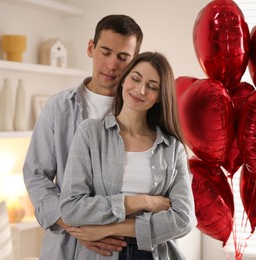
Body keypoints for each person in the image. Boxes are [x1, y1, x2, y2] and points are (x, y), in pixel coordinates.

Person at [23, 15, 143, 259]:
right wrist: (79, 228)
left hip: (122, 248)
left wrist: (109, 229)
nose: (111, 64)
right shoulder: (58, 107)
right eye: (105, 52)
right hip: (66, 247)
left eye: (123, 57)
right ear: (91, 48)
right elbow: (36, 175)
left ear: (135, 61)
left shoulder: (142, 115)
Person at [60, 51, 197, 260]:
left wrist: (110, 228)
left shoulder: (172, 148)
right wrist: (143, 202)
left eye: (152, 87)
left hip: (152, 254)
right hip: (101, 253)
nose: (140, 90)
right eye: (136, 78)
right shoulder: (90, 133)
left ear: (160, 96)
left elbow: (184, 220)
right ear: (124, 80)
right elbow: (71, 208)